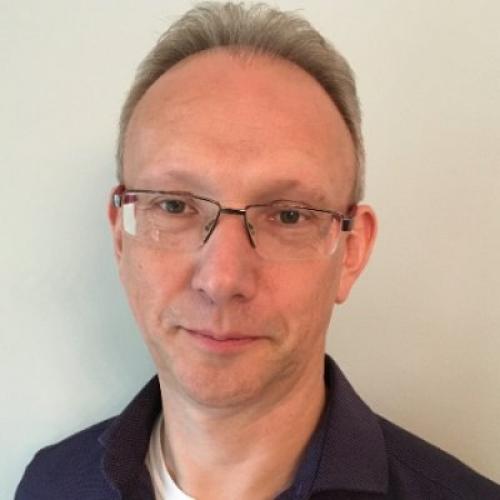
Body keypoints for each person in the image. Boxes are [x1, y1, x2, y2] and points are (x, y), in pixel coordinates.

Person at [15, 2, 500, 499]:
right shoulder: (49, 485)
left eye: (288, 215)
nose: (222, 279)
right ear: (121, 235)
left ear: (351, 252)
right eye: (175, 206)